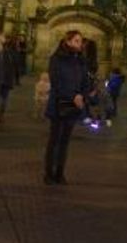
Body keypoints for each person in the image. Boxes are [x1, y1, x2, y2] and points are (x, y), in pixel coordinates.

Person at [44, 30, 92, 185]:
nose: (80, 44)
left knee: (65, 141)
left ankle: (60, 172)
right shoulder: (57, 59)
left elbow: (85, 81)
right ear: (68, 41)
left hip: (74, 105)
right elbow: (57, 82)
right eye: (77, 41)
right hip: (59, 103)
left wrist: (82, 95)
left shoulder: (81, 61)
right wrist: (73, 96)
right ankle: (48, 173)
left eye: (80, 41)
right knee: (55, 140)